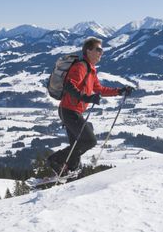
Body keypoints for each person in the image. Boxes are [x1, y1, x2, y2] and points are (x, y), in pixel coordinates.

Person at [46, 37, 134, 175]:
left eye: (102, 50)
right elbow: (69, 85)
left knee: (77, 145)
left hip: (73, 111)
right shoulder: (81, 66)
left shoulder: (91, 70)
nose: (101, 53)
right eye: (98, 49)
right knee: (89, 141)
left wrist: (119, 91)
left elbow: (100, 89)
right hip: (68, 111)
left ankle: (66, 171)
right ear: (88, 51)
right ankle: (55, 160)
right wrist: (86, 97)